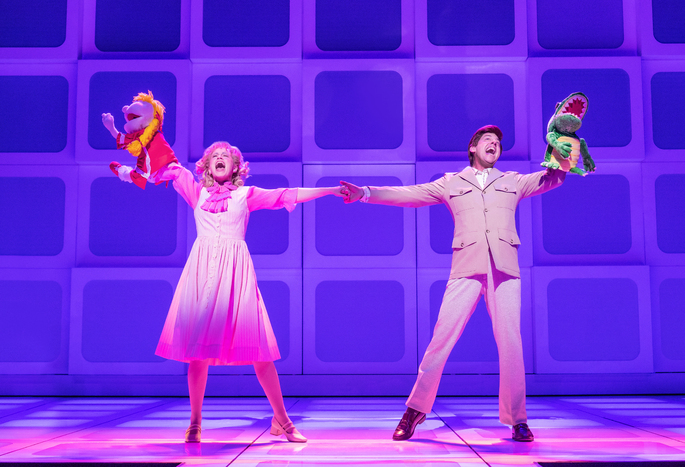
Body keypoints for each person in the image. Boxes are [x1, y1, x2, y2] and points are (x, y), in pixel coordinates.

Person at [340, 125, 566, 442]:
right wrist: (365, 193)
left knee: (511, 344)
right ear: (473, 148)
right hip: (466, 267)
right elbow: (409, 195)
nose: (494, 144)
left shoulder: (512, 181)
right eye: (488, 140)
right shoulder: (451, 182)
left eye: (498, 142)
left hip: (505, 269)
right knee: (441, 339)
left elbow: (552, 178)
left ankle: (518, 419)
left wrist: (562, 148)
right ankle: (415, 409)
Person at [121, 142, 342, 443]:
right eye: (215, 156)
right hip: (202, 276)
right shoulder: (196, 191)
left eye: (225, 156)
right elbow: (166, 165)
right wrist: (140, 149)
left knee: (259, 349)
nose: (220, 158)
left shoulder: (245, 195)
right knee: (197, 352)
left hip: (236, 276)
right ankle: (195, 422)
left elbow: (285, 195)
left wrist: (329, 190)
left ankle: (283, 420)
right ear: (207, 165)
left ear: (236, 166)